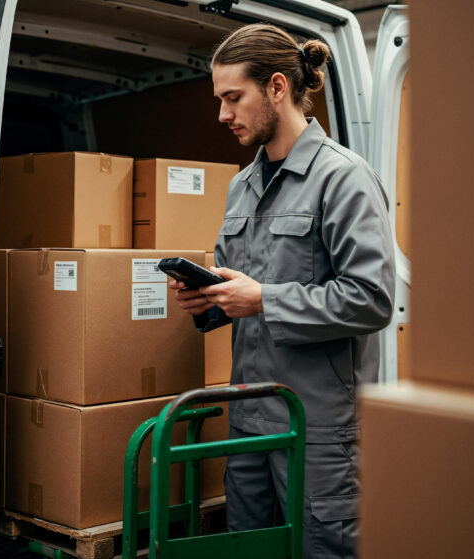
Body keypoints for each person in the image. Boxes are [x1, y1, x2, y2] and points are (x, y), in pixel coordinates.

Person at [169, 23, 395, 558]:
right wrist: (210, 302)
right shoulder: (241, 185)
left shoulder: (343, 178)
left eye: (232, 98)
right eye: (220, 99)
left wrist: (264, 298)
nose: (222, 114)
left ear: (276, 87)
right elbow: (240, 287)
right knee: (250, 549)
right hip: (248, 418)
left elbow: (372, 297)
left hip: (317, 429)